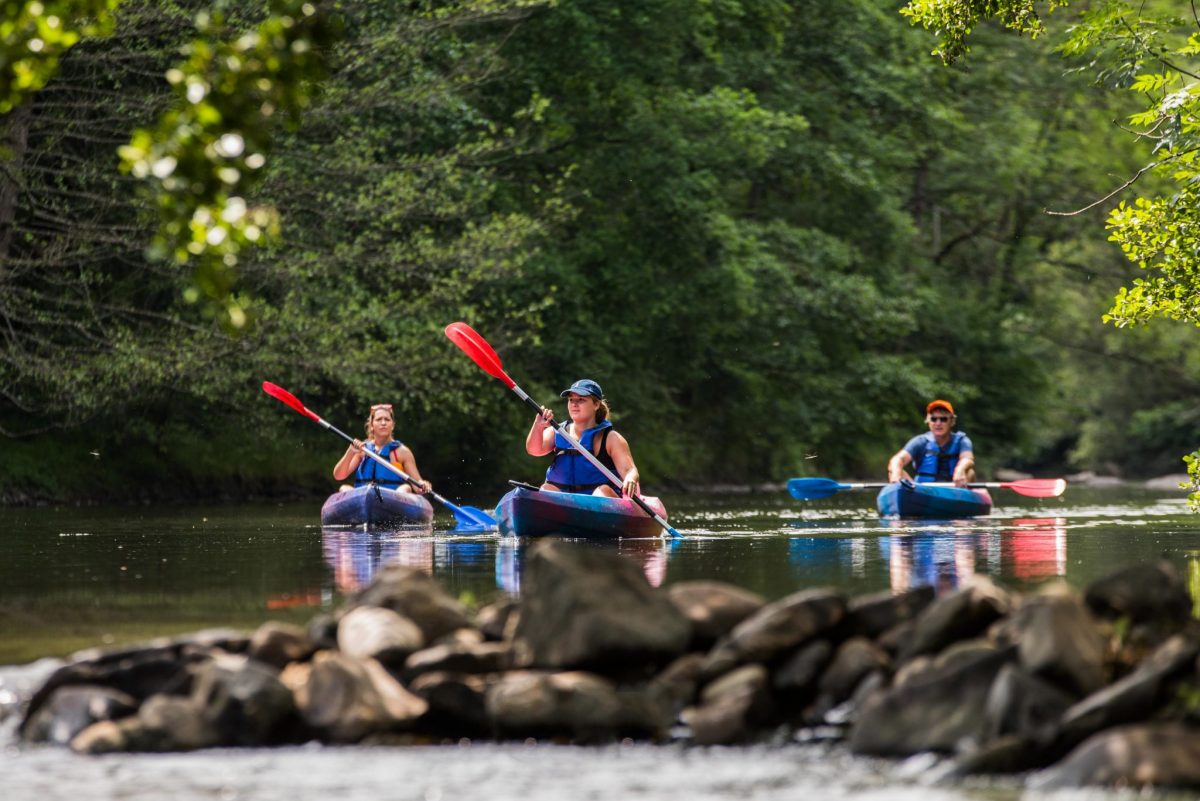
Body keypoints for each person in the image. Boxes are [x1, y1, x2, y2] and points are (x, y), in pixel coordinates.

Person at [525, 378, 641, 497]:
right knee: (546, 488)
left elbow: (629, 470)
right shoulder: (557, 431)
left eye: (581, 400)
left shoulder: (611, 438)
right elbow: (534, 450)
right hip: (564, 502)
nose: (574, 404)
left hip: (599, 503)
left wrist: (630, 478)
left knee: (603, 491)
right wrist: (538, 425)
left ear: (596, 404)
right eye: (571, 399)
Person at [332, 403, 431, 493]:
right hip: (363, 496)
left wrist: (423, 484)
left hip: (392, 498)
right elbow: (339, 476)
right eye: (379, 419)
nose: (383, 423)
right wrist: (350, 452)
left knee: (406, 488)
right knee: (344, 488)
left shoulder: (402, 452)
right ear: (371, 425)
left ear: (392, 425)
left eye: (387, 419)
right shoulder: (362, 450)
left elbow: (417, 485)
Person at [887, 399, 976, 487]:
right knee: (894, 469)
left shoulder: (962, 441)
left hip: (953, 489)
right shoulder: (920, 441)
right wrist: (896, 473)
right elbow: (898, 459)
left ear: (951, 421)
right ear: (928, 421)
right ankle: (910, 492)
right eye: (933, 419)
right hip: (924, 490)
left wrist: (960, 470)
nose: (938, 423)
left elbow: (967, 459)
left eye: (943, 419)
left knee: (970, 472)